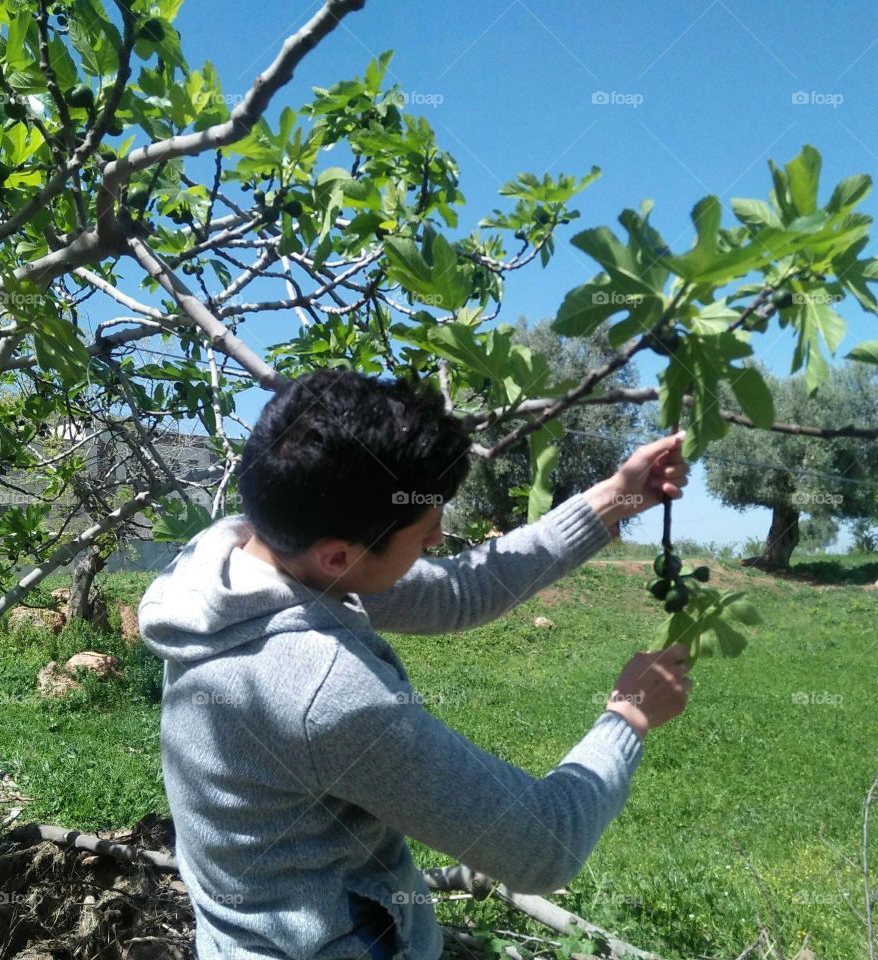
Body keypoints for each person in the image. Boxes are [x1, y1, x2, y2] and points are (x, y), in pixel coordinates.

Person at [138, 369, 692, 960]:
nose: (438, 544)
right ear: (340, 557)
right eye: (426, 538)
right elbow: (543, 845)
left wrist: (616, 496)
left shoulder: (233, 557)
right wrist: (629, 715)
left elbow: (456, 593)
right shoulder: (322, 694)